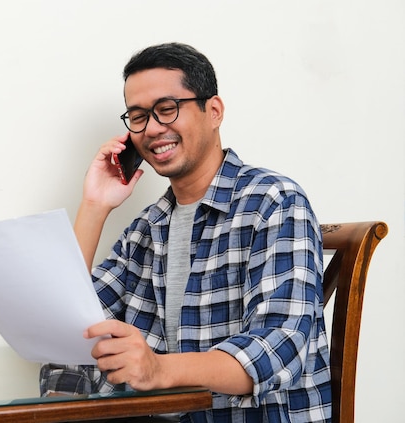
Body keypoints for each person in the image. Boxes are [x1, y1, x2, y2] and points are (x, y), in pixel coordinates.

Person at [40, 42, 331, 422]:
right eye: (138, 116)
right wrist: (94, 206)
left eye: (167, 109)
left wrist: (158, 369)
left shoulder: (273, 201)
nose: (153, 129)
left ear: (214, 111)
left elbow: (278, 347)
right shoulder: (146, 229)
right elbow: (67, 331)